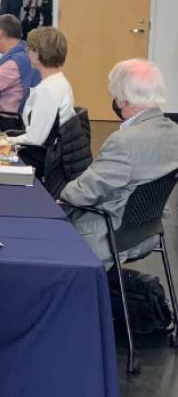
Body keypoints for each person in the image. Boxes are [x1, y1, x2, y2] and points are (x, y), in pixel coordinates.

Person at [60, 59, 178, 269]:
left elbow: (82, 193)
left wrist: (63, 193)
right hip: (148, 231)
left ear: (123, 100)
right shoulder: (173, 132)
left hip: (112, 235)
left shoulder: (124, 141)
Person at [7, 27, 75, 172]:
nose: (27, 54)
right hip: (51, 151)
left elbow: (35, 139)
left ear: (37, 54)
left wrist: (3, 141)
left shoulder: (47, 90)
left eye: (29, 50)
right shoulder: (60, 81)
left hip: (42, 157)